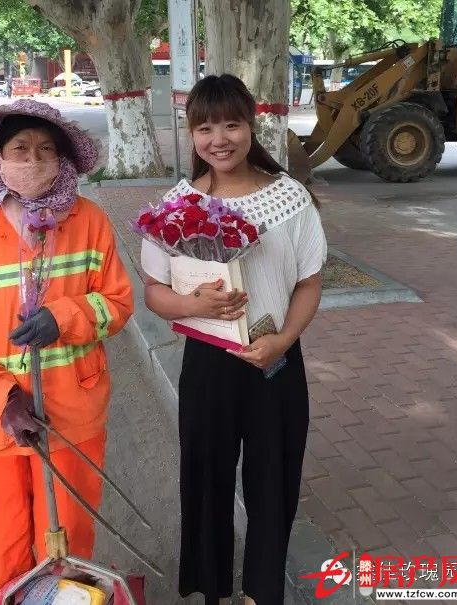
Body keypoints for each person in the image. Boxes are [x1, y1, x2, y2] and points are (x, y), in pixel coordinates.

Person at [0, 99, 133, 604]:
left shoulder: (90, 221)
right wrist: (3, 398)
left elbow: (117, 304)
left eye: (45, 149)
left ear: (62, 158)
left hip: (71, 419)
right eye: (20, 149)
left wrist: (65, 317)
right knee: (2, 549)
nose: (33, 160)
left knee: (68, 544)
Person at [141, 74, 327, 604]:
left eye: (231, 125)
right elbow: (154, 291)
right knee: (205, 477)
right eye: (205, 128)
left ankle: (262, 591)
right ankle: (212, 588)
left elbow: (310, 282)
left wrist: (283, 340)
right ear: (192, 133)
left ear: (251, 126)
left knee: (274, 478)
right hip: (208, 363)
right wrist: (191, 306)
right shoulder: (176, 206)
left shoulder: (289, 198)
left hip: (274, 358)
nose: (219, 139)